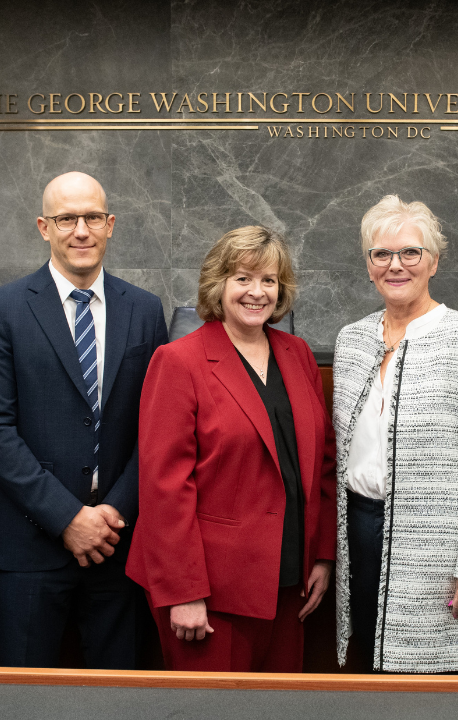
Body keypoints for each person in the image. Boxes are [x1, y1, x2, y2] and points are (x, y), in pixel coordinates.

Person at [0, 171, 168, 669]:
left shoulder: (144, 309)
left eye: (92, 217)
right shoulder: (2, 309)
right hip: (27, 548)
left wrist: (113, 512)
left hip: (119, 546)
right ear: (43, 227)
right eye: (66, 218)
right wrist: (69, 518)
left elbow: (160, 426)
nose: (81, 230)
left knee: (118, 698)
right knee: (27, 700)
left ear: (111, 224)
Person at [127, 226, 336, 672]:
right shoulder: (179, 361)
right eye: (242, 278)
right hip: (210, 595)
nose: (256, 292)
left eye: (269, 280)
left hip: (289, 583)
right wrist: (184, 592)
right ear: (217, 284)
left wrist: (321, 554)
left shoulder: (296, 353)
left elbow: (322, 463)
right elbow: (165, 486)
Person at [332, 195, 458, 673]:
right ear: (368, 264)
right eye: (381, 254)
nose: (396, 265)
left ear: (434, 260)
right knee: (367, 665)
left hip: (440, 550)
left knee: (437, 677)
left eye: (410, 252)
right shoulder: (352, 340)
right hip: (357, 533)